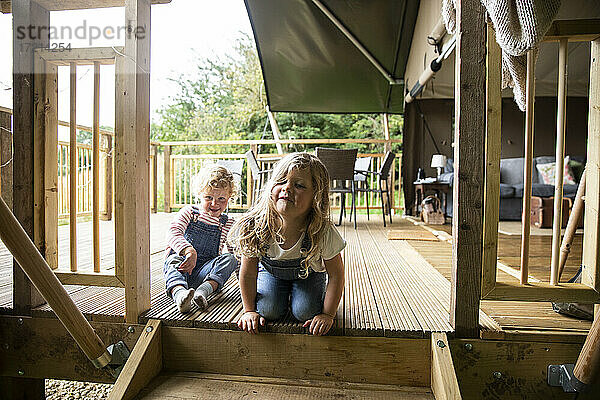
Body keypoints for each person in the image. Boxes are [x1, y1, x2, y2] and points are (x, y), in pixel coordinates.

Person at [232, 152, 345, 336]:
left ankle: (300, 296)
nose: (287, 188)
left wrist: (328, 314)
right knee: (269, 310)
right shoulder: (256, 225)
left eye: (299, 185)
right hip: (271, 274)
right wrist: (249, 311)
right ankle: (281, 295)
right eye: (281, 180)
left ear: (316, 197)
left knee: (305, 312)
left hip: (309, 275)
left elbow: (336, 275)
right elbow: (248, 273)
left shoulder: (321, 230)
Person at [163, 164, 238, 313]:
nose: (214, 203)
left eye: (221, 198)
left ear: (230, 197)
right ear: (199, 194)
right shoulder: (190, 212)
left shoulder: (228, 223)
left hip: (204, 274)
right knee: (172, 259)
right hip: (182, 268)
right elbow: (173, 232)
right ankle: (180, 295)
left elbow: (236, 256)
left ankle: (202, 293)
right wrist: (188, 250)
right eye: (208, 197)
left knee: (231, 258)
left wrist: (246, 284)